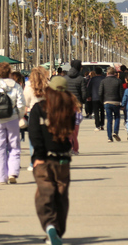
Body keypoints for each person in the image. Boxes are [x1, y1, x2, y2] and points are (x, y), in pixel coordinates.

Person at [29, 76, 76, 245]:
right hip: (63, 160)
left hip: (44, 161)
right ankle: (57, 231)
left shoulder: (38, 109)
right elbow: (69, 133)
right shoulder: (69, 110)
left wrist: (39, 157)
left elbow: (34, 135)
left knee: (44, 195)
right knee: (61, 197)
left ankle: (50, 226)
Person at [0, 62, 26, 184]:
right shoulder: (16, 86)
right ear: (10, 73)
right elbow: (21, 104)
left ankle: (0, 177)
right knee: (14, 146)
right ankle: (12, 172)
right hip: (12, 118)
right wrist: (18, 116)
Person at [23, 67, 48, 171]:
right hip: (47, 112)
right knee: (46, 137)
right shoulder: (48, 85)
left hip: (34, 113)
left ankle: (33, 162)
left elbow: (26, 101)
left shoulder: (29, 86)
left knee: (33, 138)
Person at [97, 67, 124, 143]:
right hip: (116, 102)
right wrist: (122, 102)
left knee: (109, 120)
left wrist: (102, 101)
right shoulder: (118, 81)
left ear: (107, 73)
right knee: (117, 117)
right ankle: (115, 132)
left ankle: (109, 137)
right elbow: (121, 93)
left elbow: (100, 93)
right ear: (115, 73)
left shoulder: (103, 81)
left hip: (107, 102)